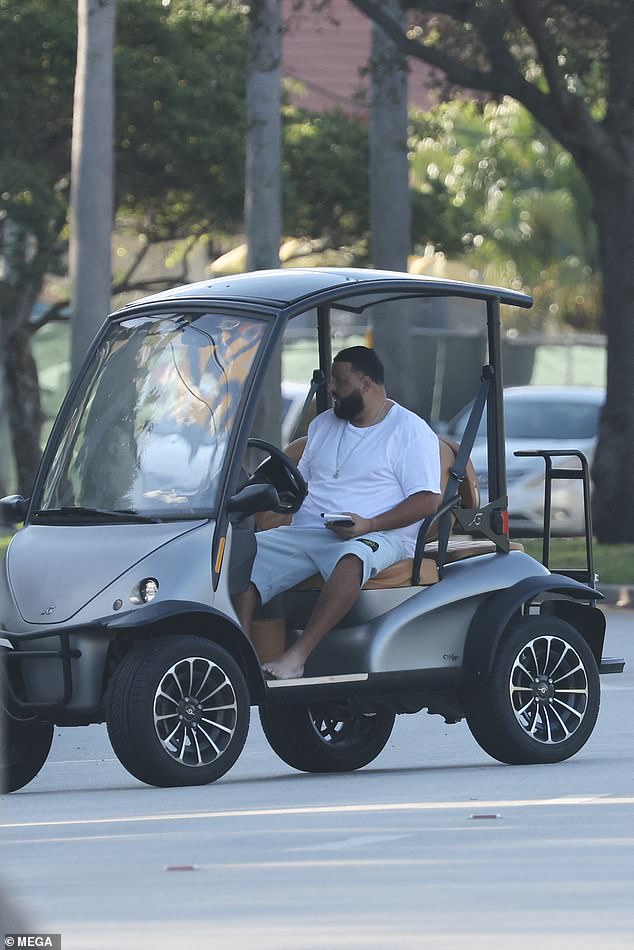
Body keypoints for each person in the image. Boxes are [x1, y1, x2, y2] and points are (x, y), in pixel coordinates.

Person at [234, 346, 441, 680]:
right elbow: (301, 482)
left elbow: (428, 501)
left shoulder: (410, 431)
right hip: (310, 532)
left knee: (352, 558)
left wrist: (369, 524)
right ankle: (237, 656)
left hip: (379, 535)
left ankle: (297, 658)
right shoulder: (323, 425)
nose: (331, 389)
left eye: (340, 382)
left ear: (367, 384)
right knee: (242, 553)